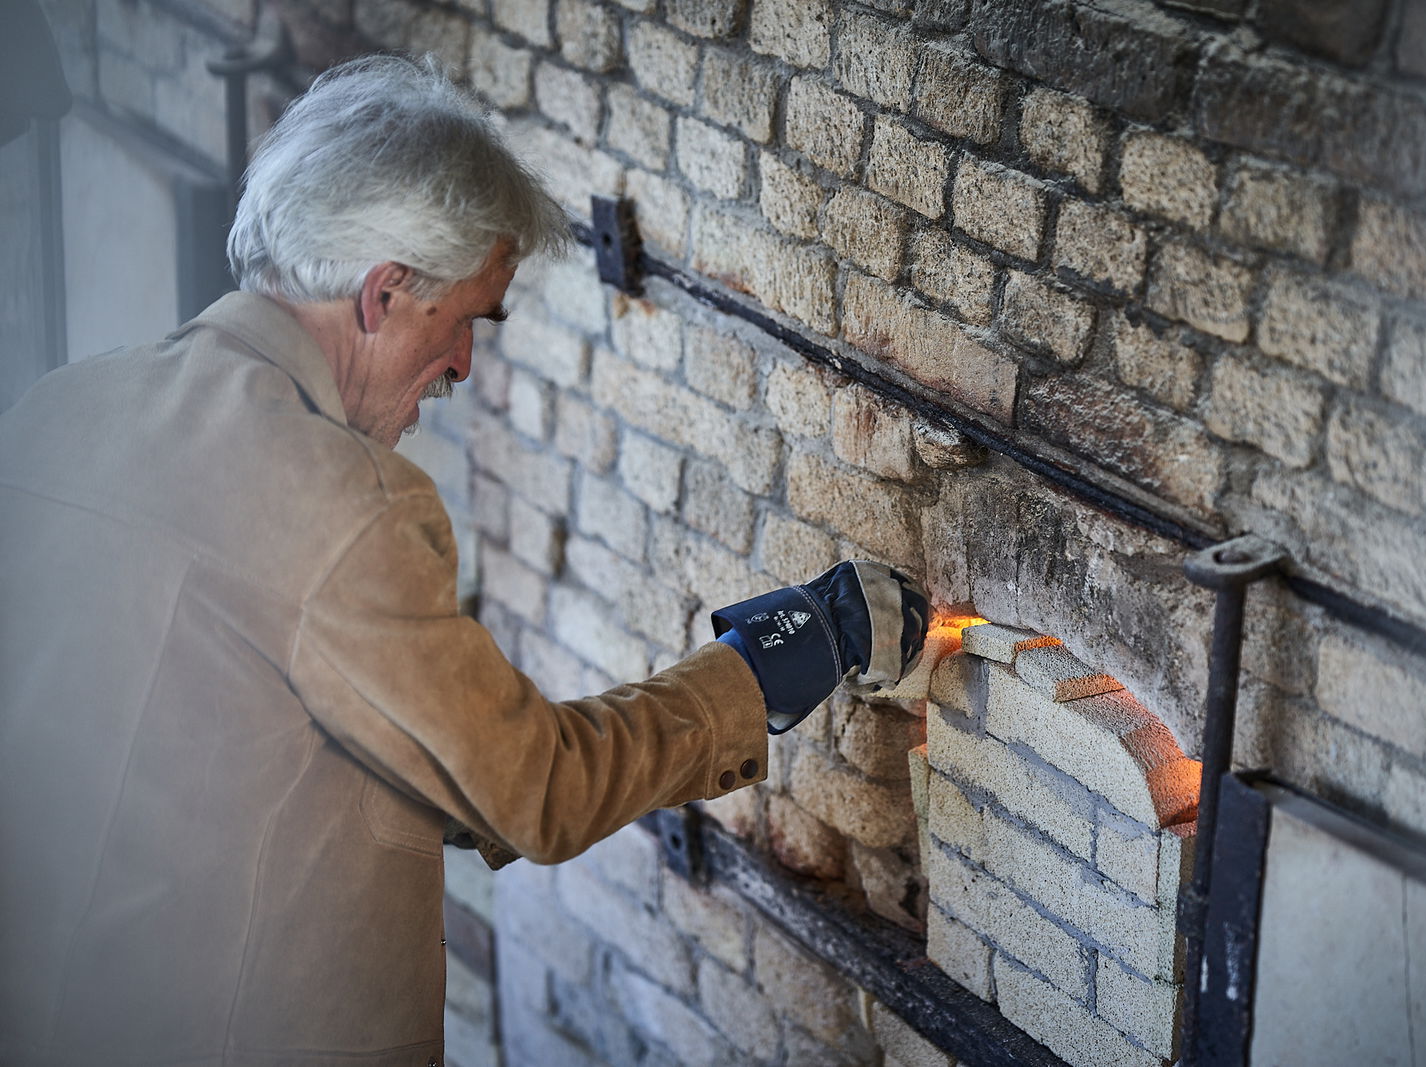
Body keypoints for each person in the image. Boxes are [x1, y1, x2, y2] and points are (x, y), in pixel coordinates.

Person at [0, 54, 926, 1065]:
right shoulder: (348, 507)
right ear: (385, 293)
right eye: (468, 321)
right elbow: (539, 789)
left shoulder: (56, 409)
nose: (463, 367)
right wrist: (786, 652)